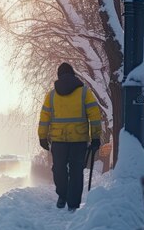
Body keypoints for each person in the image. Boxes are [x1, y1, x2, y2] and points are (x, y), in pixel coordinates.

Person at [37, 62, 102, 212]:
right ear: (73, 75)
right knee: (76, 171)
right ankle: (73, 204)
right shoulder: (85, 93)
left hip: (58, 141)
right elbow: (95, 115)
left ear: (59, 76)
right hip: (79, 140)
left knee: (58, 169)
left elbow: (44, 117)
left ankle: (62, 195)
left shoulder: (51, 95)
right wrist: (96, 136)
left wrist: (42, 137)